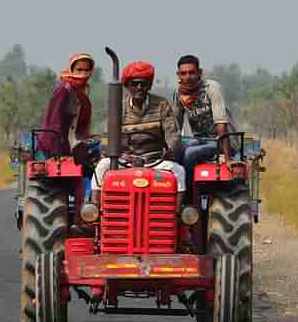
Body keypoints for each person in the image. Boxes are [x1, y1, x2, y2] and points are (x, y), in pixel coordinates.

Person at [91, 61, 185, 209]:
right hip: (126, 160)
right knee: (101, 167)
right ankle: (95, 210)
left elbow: (173, 134)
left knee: (179, 171)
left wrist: (170, 151)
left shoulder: (161, 105)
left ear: (149, 86)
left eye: (143, 84)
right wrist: (121, 155)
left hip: (154, 160)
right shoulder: (118, 108)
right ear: (127, 86)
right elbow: (106, 138)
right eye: (134, 84)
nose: (139, 88)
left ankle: (177, 213)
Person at [35, 52, 95, 235]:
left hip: (72, 147)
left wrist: (89, 146)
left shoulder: (83, 98)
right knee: (80, 182)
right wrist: (58, 154)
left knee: (101, 171)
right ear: (71, 70)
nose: (82, 74)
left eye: (86, 70)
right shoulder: (63, 90)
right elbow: (53, 123)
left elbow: (82, 130)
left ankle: (98, 218)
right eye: (78, 69)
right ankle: (81, 222)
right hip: (54, 149)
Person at [172, 54, 232, 190]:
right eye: (183, 73)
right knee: (178, 151)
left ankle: (188, 194)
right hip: (198, 139)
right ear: (178, 75)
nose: (188, 77)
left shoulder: (211, 88)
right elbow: (175, 125)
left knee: (190, 153)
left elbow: (221, 123)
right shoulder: (179, 93)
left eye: (192, 72)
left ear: (199, 72)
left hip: (219, 141)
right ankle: (174, 192)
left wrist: (228, 159)